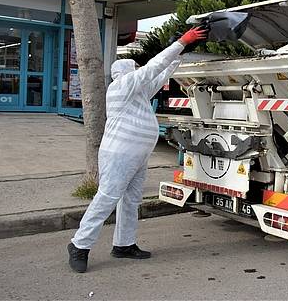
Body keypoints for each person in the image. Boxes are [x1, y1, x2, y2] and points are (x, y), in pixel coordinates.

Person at [67, 27, 207, 273]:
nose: (138, 73)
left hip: (137, 155)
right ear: (126, 73)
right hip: (119, 154)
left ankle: (124, 244)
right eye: (135, 70)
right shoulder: (121, 87)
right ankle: (79, 245)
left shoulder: (138, 92)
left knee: (130, 200)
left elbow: (160, 75)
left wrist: (181, 52)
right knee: (107, 197)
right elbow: (153, 68)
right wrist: (180, 42)